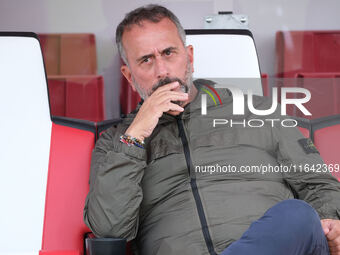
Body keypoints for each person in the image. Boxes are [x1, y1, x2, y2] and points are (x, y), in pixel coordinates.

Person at [84, 4, 340, 255]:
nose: (162, 71)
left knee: (296, 215)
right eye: (146, 60)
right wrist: (136, 135)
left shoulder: (258, 112)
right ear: (129, 76)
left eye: (169, 53)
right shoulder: (116, 144)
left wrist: (330, 224)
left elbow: (319, 185)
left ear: (190, 57)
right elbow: (111, 228)